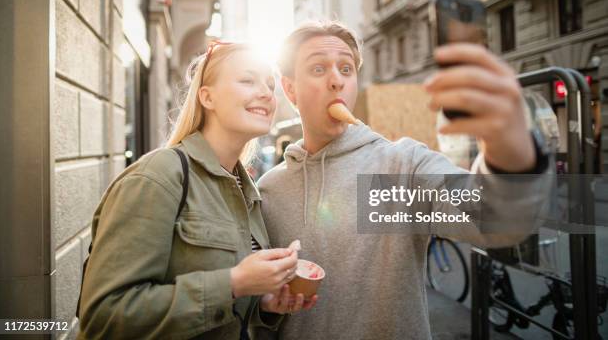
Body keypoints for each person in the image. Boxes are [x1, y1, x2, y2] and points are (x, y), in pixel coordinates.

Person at [257, 21, 551, 339]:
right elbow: (257, 305)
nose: (336, 81)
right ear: (290, 90)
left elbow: (495, 219)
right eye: (318, 69)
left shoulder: (402, 165)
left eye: (346, 69)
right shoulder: (269, 190)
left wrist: (509, 149)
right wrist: (264, 306)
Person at [77, 42, 317, 339]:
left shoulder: (248, 191)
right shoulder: (158, 176)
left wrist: (263, 305)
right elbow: (104, 317)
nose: (267, 93)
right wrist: (234, 283)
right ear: (207, 96)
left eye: (270, 84)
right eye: (247, 80)